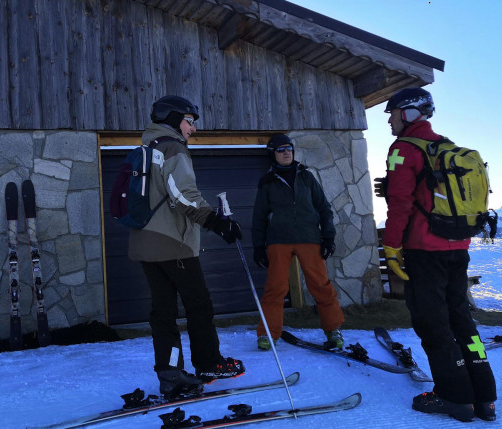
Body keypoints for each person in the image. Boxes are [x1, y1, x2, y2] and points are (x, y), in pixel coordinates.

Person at [378, 87, 497, 422]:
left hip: (424, 249)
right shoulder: (443, 146)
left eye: (393, 112)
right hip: (457, 247)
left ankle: (455, 397)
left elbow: (400, 204)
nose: (389, 119)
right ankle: (484, 397)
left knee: (434, 323)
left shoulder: (403, 149)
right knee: (462, 319)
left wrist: (391, 246)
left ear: (411, 112)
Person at [129, 95, 245, 398]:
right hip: (172, 244)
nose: (192, 128)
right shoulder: (172, 147)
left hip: (144, 241)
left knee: (163, 310)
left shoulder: (147, 148)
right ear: (172, 119)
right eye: (189, 121)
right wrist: (215, 222)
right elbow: (183, 194)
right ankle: (208, 364)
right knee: (199, 305)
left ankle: (170, 373)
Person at [251, 134, 344, 351]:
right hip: (278, 240)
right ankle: (267, 333)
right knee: (276, 288)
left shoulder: (307, 177)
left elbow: (323, 208)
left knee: (320, 285)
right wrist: (258, 246)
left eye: (289, 149)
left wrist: (328, 237)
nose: (286, 153)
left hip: (309, 238)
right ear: (273, 154)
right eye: (281, 150)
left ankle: (333, 329)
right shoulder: (267, 182)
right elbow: (259, 216)